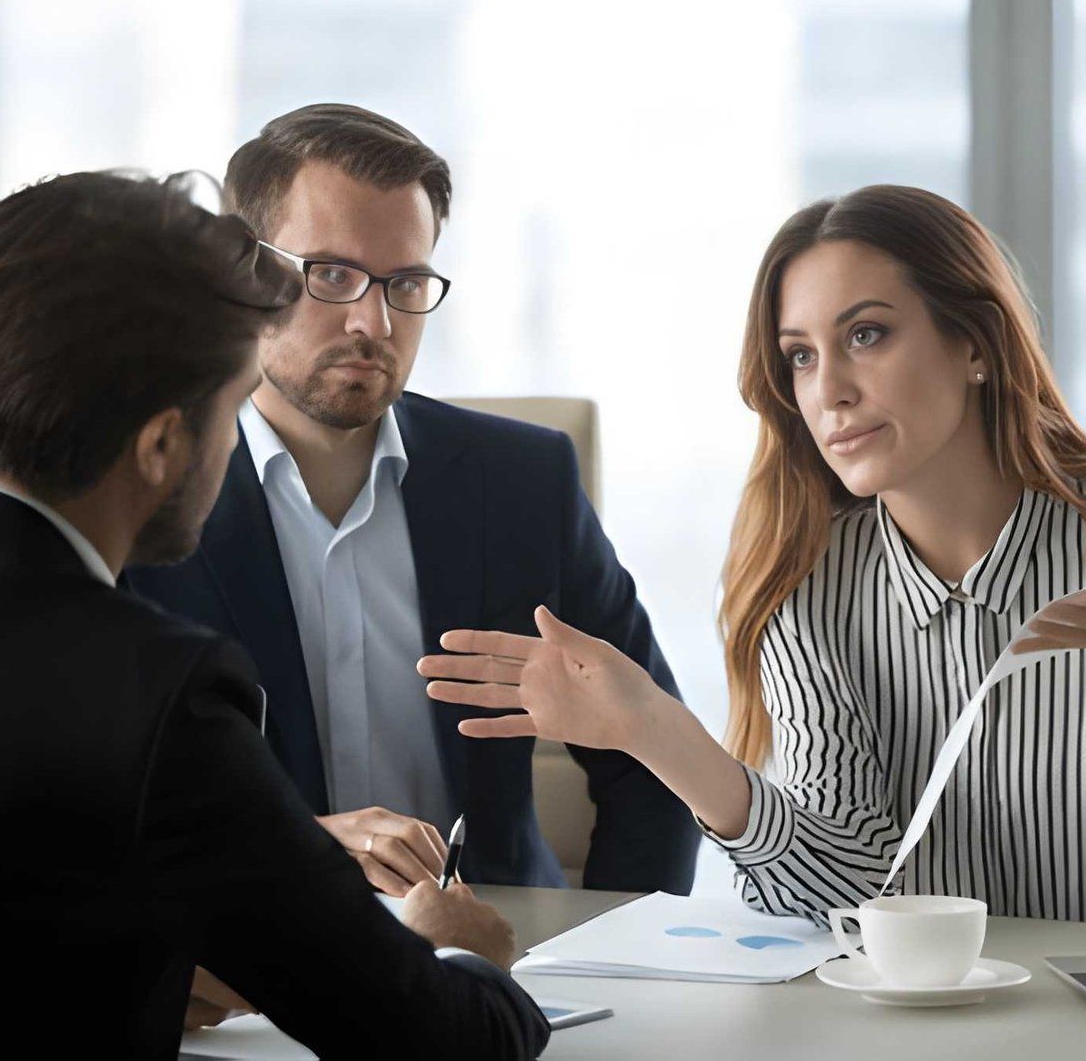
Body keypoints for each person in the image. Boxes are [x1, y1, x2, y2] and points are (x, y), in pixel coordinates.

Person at [419, 185, 1086, 925]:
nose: (829, 390)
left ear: (976, 345)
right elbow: (844, 894)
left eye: (868, 335)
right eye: (801, 356)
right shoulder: (807, 580)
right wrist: (653, 730)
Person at [0, 171, 547, 1058]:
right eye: (230, 401)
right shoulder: (154, 691)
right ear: (164, 445)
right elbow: (440, 1041)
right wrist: (458, 954)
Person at [126, 104, 700, 895]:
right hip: (244, 976)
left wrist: (611, 959)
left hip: (498, 960)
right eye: (330, 274)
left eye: (407, 282)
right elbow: (86, 809)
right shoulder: (142, 488)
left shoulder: (523, 481)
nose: (375, 320)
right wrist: (296, 852)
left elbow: (654, 761)